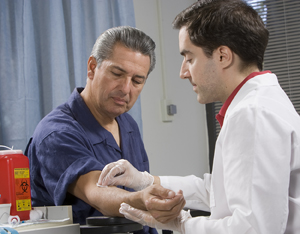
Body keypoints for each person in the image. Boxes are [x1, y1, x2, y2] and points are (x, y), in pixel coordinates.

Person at [97, 1, 300, 233]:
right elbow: (219, 189)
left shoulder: (252, 114)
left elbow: (253, 229)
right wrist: (144, 180)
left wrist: (182, 225)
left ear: (223, 56)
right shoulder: (262, 102)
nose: (183, 72)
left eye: (189, 58)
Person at [25, 26, 186, 234]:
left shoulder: (127, 125)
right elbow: (96, 193)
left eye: (137, 80)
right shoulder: (57, 133)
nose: (126, 89)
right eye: (117, 74)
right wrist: (141, 200)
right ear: (92, 67)